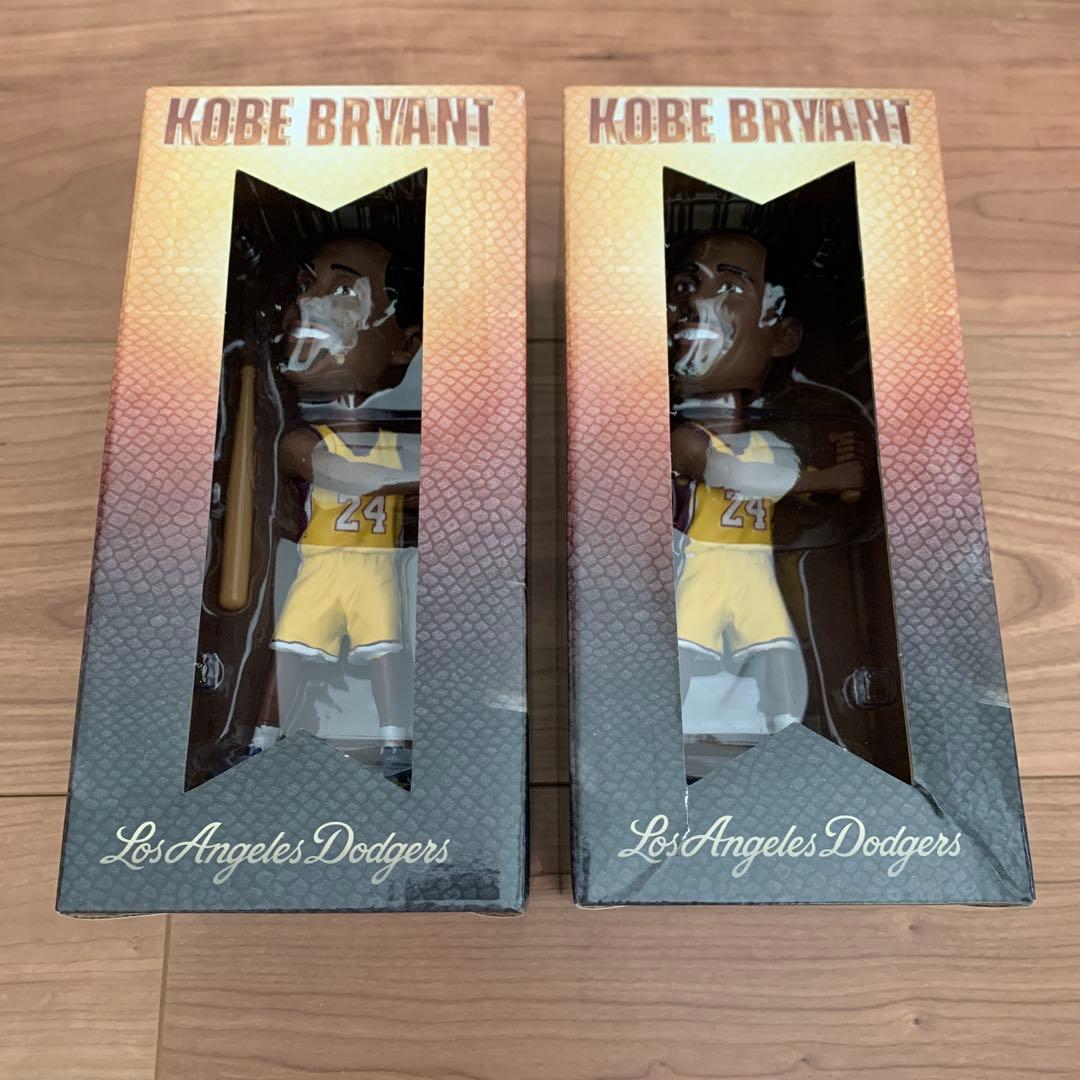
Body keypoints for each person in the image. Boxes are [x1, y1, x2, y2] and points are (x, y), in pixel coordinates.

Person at [668, 231, 863, 771]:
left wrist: (844, 478)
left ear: (784, 335)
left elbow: (811, 486)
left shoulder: (773, 443)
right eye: (684, 285)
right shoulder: (686, 439)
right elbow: (734, 475)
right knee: (683, 656)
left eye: (730, 287)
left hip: (755, 570)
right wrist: (830, 478)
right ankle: (664, 742)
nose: (695, 301)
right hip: (703, 569)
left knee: (779, 653)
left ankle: (790, 746)